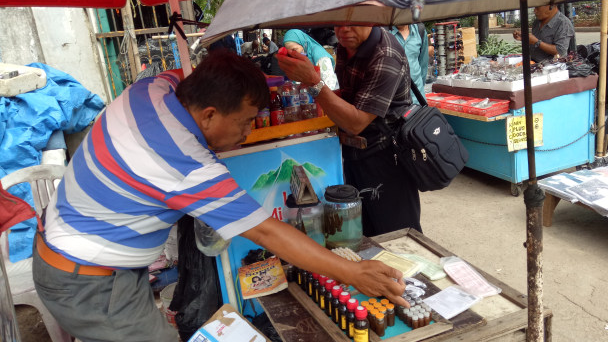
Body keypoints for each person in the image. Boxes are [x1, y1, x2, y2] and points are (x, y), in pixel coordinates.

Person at [32, 49, 409, 341]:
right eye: (245, 121)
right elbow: (266, 233)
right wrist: (353, 272)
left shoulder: (149, 89)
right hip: (88, 282)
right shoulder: (186, 165)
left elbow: (194, 73)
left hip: (72, 250)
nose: (248, 131)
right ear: (209, 114)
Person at [276, 26, 422, 237]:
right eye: (338, 21)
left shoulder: (385, 54)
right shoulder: (347, 45)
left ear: (372, 17)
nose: (344, 29)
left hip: (387, 159)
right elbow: (348, 96)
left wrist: (313, 82)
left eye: (353, 20)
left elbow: (356, 122)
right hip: (356, 155)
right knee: (364, 236)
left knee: (398, 238)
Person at [390, 24, 432, 104]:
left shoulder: (420, 30)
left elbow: (423, 64)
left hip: (417, 99)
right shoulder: (384, 32)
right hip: (393, 101)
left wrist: (418, 89)